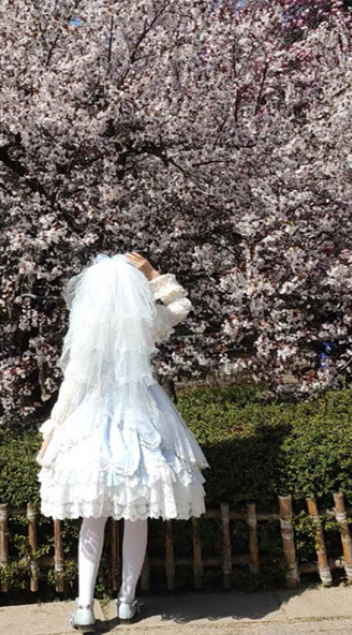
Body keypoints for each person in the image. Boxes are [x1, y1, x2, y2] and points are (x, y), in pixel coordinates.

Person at [36, 251, 208, 632]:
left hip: (94, 418)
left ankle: (84, 606)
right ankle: (127, 601)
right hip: (144, 416)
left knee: (92, 518)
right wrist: (151, 272)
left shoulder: (88, 331)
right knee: (136, 514)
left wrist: (54, 428)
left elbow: (73, 386)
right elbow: (180, 306)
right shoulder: (144, 323)